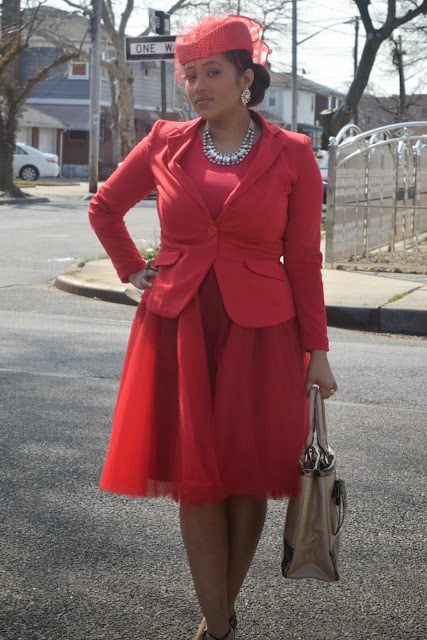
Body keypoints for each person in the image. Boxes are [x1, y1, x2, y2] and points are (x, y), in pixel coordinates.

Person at [88, 14, 337, 640]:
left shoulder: (292, 153)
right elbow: (105, 207)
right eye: (189, 75)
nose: (197, 86)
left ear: (245, 77)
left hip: (263, 333)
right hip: (179, 328)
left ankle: (216, 616)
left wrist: (318, 350)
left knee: (247, 480)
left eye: (212, 73)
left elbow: (304, 260)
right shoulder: (164, 141)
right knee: (197, 480)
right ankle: (221, 628)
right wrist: (133, 270)